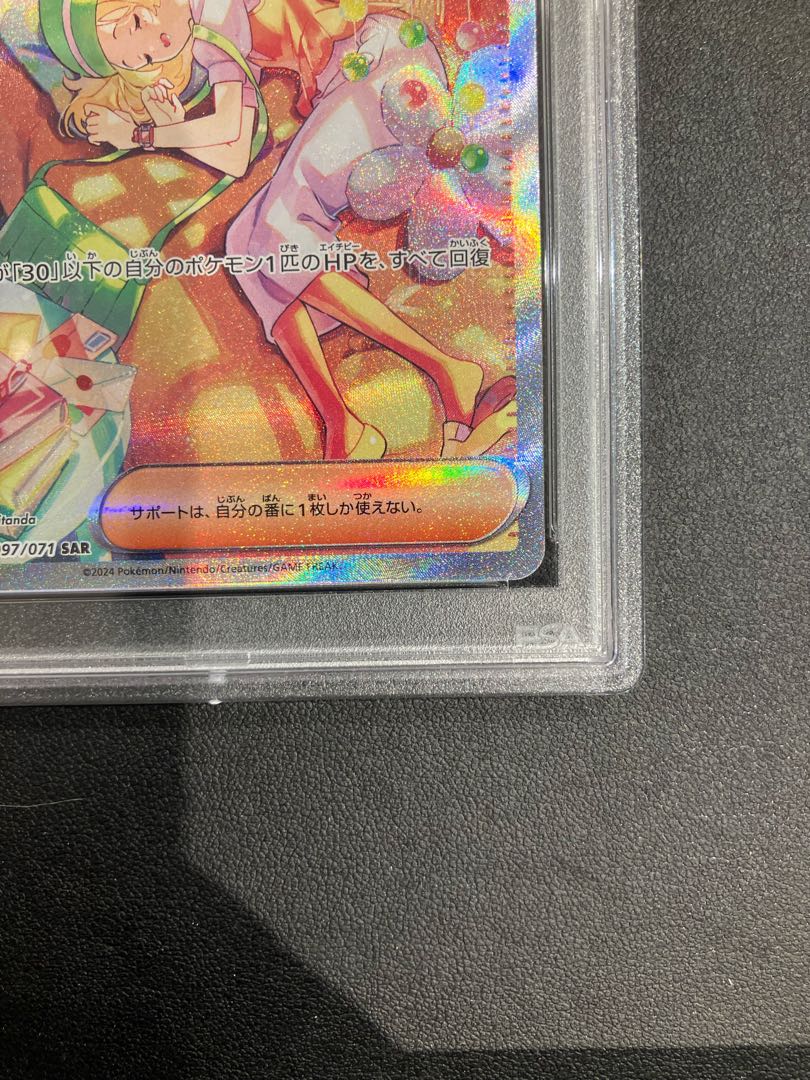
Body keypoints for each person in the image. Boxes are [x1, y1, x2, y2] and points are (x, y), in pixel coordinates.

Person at [42, 0, 516, 459]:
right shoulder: (207, 40)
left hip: (387, 75)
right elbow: (234, 141)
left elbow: (230, 145)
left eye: (136, 20)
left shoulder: (212, 11)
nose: (155, 44)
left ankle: (447, 371)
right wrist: (173, 124)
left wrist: (144, 134)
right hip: (351, 86)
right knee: (243, 245)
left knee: (276, 228)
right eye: (142, 59)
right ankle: (342, 423)